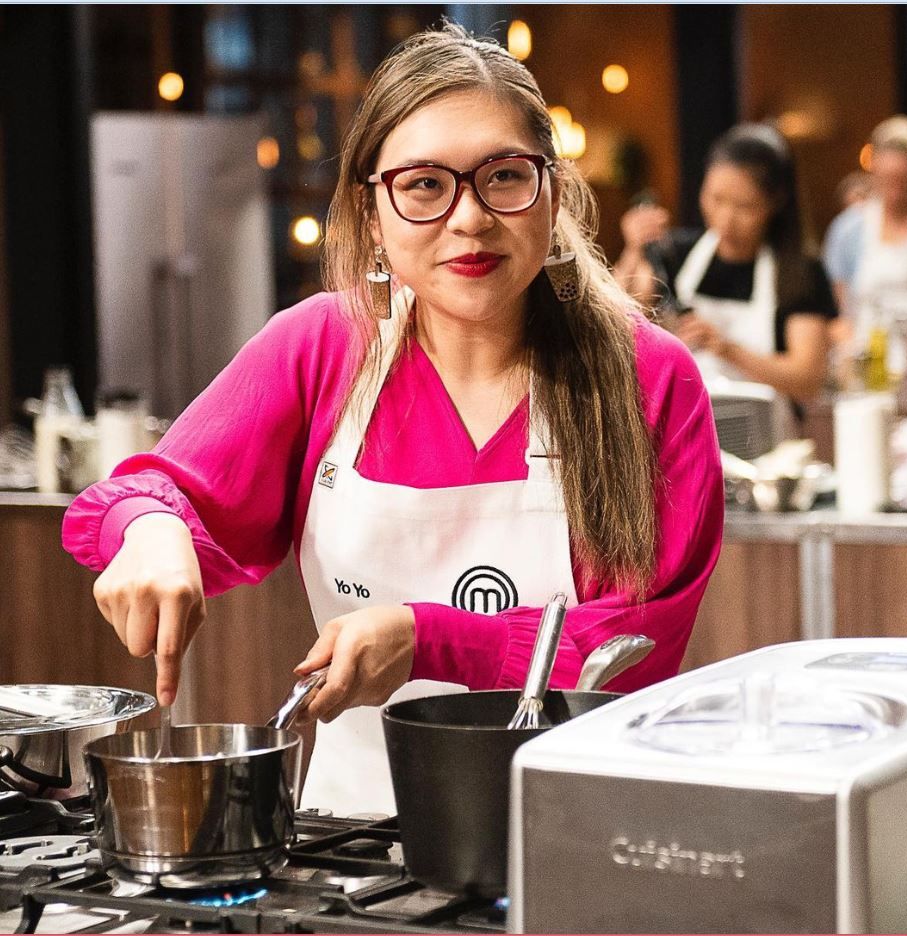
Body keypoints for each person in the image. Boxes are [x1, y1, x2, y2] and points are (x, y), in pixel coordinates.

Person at [61, 23, 724, 816]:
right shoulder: (321, 348)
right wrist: (151, 532)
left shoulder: (649, 377)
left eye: (504, 177)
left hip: (579, 828)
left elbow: (635, 650)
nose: (470, 218)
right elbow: (145, 497)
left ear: (551, 193)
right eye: (424, 185)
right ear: (372, 212)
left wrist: (427, 639)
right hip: (354, 839)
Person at [615, 123, 837, 425]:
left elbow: (808, 379)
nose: (725, 219)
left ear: (775, 203)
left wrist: (726, 348)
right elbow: (620, 315)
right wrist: (633, 250)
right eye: (716, 199)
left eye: (744, 207)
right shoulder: (676, 255)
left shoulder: (800, 272)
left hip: (767, 441)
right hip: (685, 433)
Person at [823, 116, 907, 359]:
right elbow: (835, 313)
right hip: (865, 358)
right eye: (890, 178)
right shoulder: (848, 230)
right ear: (874, 169)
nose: (895, 188)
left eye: (902, 180)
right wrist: (849, 349)